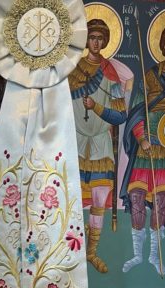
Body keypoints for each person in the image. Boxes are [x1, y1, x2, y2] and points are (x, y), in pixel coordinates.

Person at [69, 19, 127, 273]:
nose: (95, 42)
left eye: (100, 38)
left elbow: (120, 115)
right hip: (75, 141)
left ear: (104, 42)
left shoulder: (110, 74)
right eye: (92, 37)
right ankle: (70, 250)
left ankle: (91, 252)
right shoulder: (73, 69)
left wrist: (97, 107)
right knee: (70, 197)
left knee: (99, 199)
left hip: (101, 144)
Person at [120, 28, 165, 275]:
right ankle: (137, 255)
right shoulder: (151, 75)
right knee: (137, 197)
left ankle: (154, 257)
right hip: (147, 146)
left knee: (161, 202)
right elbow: (137, 108)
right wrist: (141, 137)